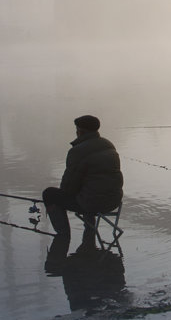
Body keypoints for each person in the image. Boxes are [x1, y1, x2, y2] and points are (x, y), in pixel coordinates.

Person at [43, 115, 123, 271]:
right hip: (113, 201)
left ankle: (63, 236)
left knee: (50, 194)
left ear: (80, 131)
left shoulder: (77, 152)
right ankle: (89, 234)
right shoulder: (109, 145)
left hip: (92, 203)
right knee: (91, 188)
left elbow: (68, 187)